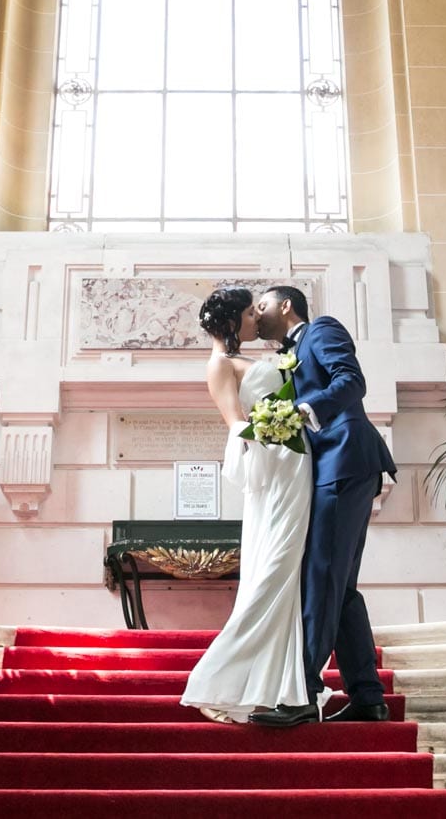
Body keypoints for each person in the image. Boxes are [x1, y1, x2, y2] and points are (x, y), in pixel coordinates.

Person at [248, 285, 398, 727]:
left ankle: (303, 694)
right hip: (330, 468)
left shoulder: (321, 330)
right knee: (340, 586)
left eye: (263, 305)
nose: (258, 314)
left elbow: (351, 382)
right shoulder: (282, 356)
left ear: (287, 305)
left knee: (320, 577)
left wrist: (298, 411)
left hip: (344, 459)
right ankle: (368, 698)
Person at [178, 287, 320, 723]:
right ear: (231, 320)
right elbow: (236, 424)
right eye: (248, 312)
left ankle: (279, 685)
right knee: (274, 569)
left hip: (295, 464)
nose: (255, 318)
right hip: (274, 467)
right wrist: (281, 424)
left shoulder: (262, 357)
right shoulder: (218, 364)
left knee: (287, 572)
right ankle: (216, 679)